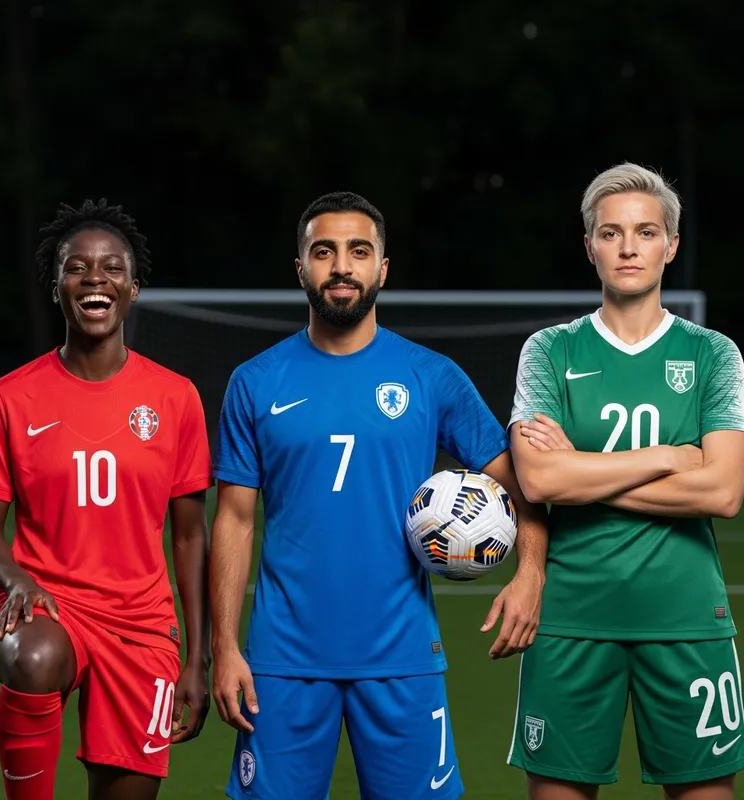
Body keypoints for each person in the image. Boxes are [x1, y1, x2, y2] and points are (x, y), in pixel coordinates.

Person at [210, 190, 549, 799]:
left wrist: (530, 574)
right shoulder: (255, 382)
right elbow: (234, 520)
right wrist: (224, 646)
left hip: (402, 655)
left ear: (382, 269)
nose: (341, 266)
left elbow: (525, 485)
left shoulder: (431, 376)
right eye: (324, 252)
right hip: (282, 660)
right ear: (300, 268)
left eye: (358, 251)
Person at [506, 163, 744, 800]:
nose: (629, 247)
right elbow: (537, 479)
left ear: (671, 245)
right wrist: (668, 457)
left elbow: (723, 492)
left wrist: (578, 473)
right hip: (570, 620)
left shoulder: (714, 353)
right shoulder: (549, 350)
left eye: (646, 232)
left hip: (687, 619)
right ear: (590, 247)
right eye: (611, 233)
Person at [0, 199, 213, 800]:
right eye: (76, 268)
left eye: (112, 268)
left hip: (141, 625)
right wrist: (17, 581)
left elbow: (189, 535)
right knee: (32, 657)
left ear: (133, 289)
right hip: (48, 604)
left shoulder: (176, 398)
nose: (94, 278)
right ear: (57, 288)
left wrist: (197, 658)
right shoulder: (10, 397)